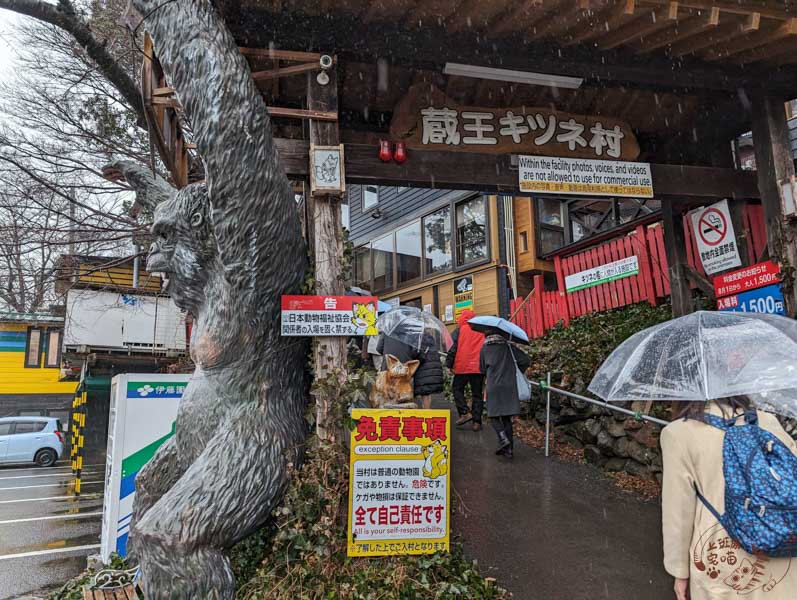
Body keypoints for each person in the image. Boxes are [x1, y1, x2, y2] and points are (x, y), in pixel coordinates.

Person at [661, 396, 797, 600]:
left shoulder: (678, 433)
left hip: (722, 555)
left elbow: (678, 512)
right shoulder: (767, 420)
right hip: (781, 546)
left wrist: (679, 572)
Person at [479, 331, 530, 458]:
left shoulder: (484, 349)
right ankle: (509, 450)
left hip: (493, 385)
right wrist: (515, 370)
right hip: (509, 385)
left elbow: (482, 369)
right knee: (506, 417)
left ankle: (503, 439)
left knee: (493, 415)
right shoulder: (508, 347)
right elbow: (525, 360)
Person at [446, 308, 486, 431]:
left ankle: (464, 412)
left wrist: (449, 364)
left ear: (462, 319)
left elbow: (452, 348)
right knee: (477, 394)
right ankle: (477, 422)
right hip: (477, 367)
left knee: (457, 388)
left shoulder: (459, 330)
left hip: (462, 366)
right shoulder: (481, 330)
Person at [413, 332, 444, 410]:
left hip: (423, 370)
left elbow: (418, 355)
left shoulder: (417, 340)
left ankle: (424, 412)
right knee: (426, 393)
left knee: (422, 392)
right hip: (432, 369)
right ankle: (427, 411)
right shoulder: (430, 339)